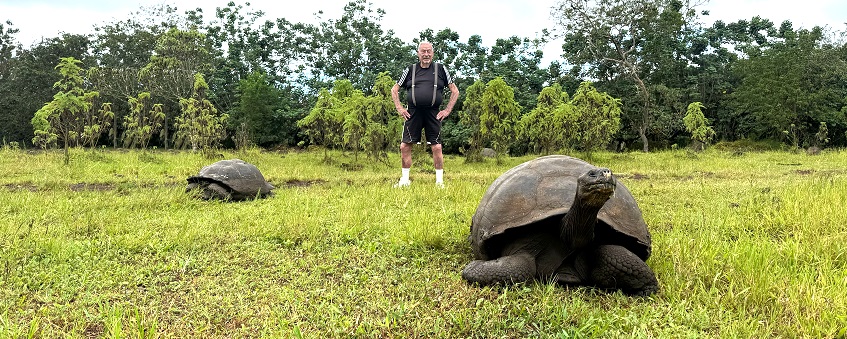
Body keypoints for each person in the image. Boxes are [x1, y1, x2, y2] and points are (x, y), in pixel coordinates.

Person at [391, 41, 459, 188]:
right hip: (413, 112)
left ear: (432, 53)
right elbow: (394, 89)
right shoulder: (410, 70)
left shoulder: (441, 69)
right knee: (404, 146)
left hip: (433, 113)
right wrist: (399, 108)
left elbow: (455, 91)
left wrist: (447, 110)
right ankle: (404, 180)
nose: (426, 54)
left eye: (429, 51)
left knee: (437, 147)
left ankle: (439, 182)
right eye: (423, 51)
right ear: (418, 53)